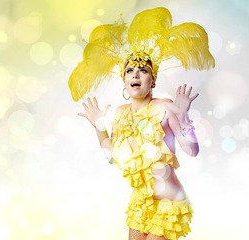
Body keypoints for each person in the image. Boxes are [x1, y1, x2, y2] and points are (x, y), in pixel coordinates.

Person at [68, 7, 215, 240]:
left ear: (153, 80)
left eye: (143, 70)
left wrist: (184, 116)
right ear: (124, 80)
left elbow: (191, 150)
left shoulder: (164, 107)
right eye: (130, 71)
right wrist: (98, 125)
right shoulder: (120, 113)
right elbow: (112, 157)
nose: (136, 75)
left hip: (168, 202)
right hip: (140, 203)